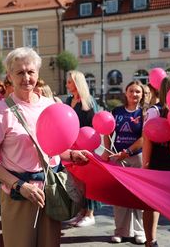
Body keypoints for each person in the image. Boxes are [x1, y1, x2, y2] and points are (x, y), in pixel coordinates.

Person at [0, 47, 88, 247]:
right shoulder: (0, 111)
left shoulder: (50, 105)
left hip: (51, 191)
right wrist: (20, 186)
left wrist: (72, 154)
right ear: (10, 76)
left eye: (30, 71)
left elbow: (51, 148)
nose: (26, 77)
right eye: (20, 72)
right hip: (19, 195)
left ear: (37, 73)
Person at [142, 76, 170, 247]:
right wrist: (145, 165)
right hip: (158, 163)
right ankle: (150, 241)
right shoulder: (156, 110)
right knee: (152, 204)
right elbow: (147, 137)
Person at [101, 80, 146, 244]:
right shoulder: (117, 111)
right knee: (119, 196)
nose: (134, 94)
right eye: (131, 91)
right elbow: (106, 132)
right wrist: (108, 151)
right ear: (126, 93)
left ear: (142, 95)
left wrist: (127, 152)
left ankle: (140, 231)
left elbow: (144, 137)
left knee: (138, 195)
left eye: (138, 92)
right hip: (118, 158)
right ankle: (120, 231)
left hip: (137, 158)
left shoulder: (144, 113)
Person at [64, 70, 101, 227]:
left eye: (70, 81)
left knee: (87, 181)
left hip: (86, 146)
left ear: (77, 83)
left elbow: (95, 125)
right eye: (67, 81)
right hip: (71, 147)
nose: (67, 84)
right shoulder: (68, 100)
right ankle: (81, 212)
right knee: (77, 181)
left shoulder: (88, 101)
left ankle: (90, 213)